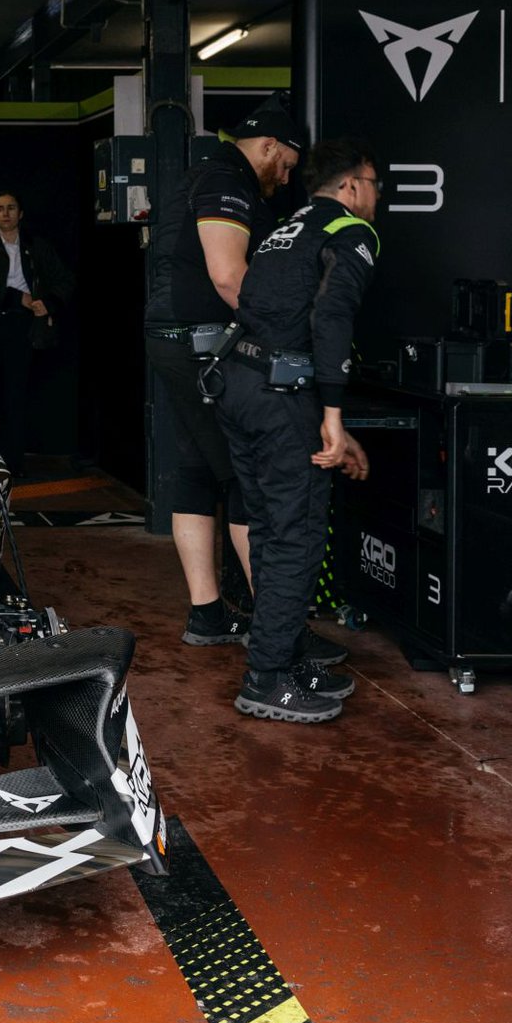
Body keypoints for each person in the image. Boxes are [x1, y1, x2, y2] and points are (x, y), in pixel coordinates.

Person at [213, 138, 380, 723]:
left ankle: (281, 657)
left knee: (268, 530)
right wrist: (331, 415)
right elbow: (331, 317)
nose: (376, 196)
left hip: (238, 384)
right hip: (282, 396)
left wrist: (327, 418)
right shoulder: (351, 232)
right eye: (374, 184)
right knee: (297, 537)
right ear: (352, 185)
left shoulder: (287, 228)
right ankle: (267, 678)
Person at [142, 97, 302, 649]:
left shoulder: (204, 175)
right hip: (200, 345)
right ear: (269, 146)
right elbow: (230, 277)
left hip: (178, 341)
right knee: (243, 473)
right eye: (286, 165)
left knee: (196, 471)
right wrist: (286, 336)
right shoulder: (226, 181)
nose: (285, 179)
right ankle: (279, 636)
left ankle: (208, 615)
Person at [0, 189, 75, 476]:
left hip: (22, 327)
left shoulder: (37, 246)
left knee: (16, 395)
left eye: (11, 208)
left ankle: (13, 463)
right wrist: (16, 297)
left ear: (20, 213)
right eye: (0, 209)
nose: (6, 213)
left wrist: (48, 303)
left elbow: (64, 280)